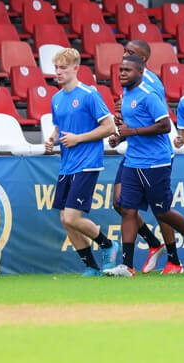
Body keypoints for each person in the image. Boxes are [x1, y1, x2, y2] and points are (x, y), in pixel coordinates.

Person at [103, 55, 184, 277]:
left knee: (162, 211)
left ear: (140, 73)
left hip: (156, 163)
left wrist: (132, 133)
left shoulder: (149, 96)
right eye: (120, 70)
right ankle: (127, 266)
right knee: (127, 210)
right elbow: (132, 127)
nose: (122, 73)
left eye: (127, 70)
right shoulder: (126, 96)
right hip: (133, 162)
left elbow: (164, 126)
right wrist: (120, 138)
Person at [45, 48, 120, 276]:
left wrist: (79, 138)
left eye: (63, 68)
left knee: (71, 216)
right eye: (56, 68)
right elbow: (59, 127)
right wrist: (52, 139)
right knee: (65, 219)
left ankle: (108, 245)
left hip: (87, 163)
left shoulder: (89, 94)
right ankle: (91, 266)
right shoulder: (56, 98)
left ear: (76, 68)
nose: (58, 72)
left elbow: (109, 127)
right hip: (67, 164)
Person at [111, 40, 182, 274]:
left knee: (160, 209)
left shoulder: (150, 84)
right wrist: (121, 131)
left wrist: (130, 131)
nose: (125, 55)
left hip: (154, 154)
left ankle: (173, 259)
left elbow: (160, 122)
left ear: (143, 61)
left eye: (131, 53)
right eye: (125, 51)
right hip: (134, 151)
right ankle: (153, 244)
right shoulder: (127, 78)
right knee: (120, 203)